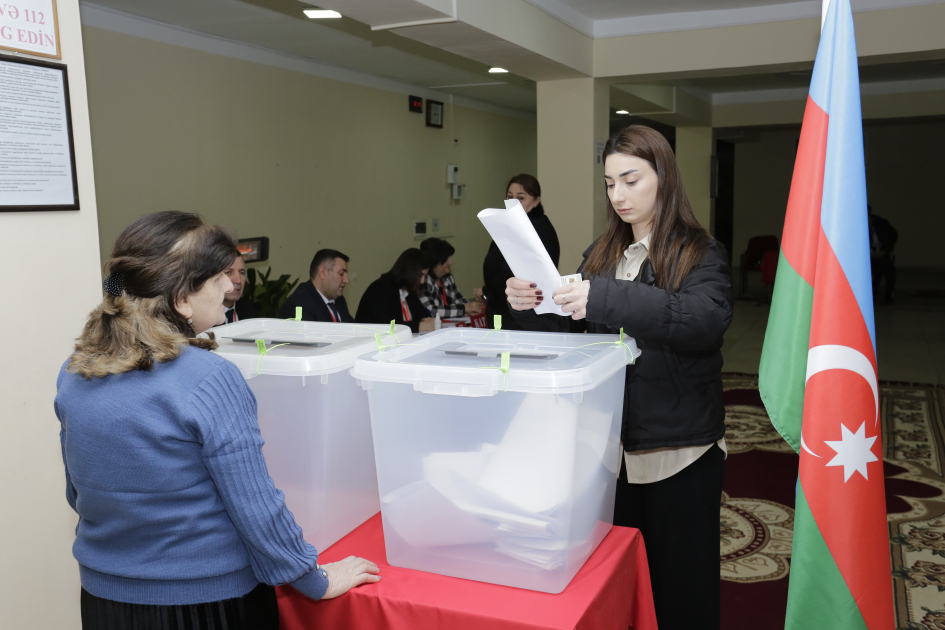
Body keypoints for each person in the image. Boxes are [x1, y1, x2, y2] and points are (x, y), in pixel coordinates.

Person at [55, 212, 380, 630]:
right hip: (207, 603)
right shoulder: (209, 378)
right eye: (219, 277)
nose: (231, 286)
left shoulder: (75, 369)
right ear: (181, 298)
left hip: (104, 600)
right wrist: (312, 578)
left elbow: (77, 493)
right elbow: (256, 511)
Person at [504, 126, 733, 630]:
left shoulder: (699, 251)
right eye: (610, 184)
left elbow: (703, 319)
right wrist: (529, 302)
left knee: (680, 589)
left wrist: (602, 296)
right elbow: (576, 323)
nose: (619, 195)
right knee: (619, 581)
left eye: (631, 179)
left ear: (663, 178)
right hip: (611, 447)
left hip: (679, 450)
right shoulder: (605, 250)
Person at [481, 174, 559, 329]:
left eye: (521, 198)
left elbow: (515, 271)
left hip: (522, 312)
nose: (513, 203)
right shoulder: (510, 224)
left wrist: (488, 291)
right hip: (500, 306)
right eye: (509, 197)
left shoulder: (538, 228)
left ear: (536, 201)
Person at [356, 248, 436, 334]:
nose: (422, 281)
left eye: (425, 276)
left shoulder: (409, 290)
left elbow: (422, 312)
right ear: (408, 271)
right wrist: (420, 326)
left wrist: (427, 320)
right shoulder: (380, 289)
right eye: (420, 276)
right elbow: (387, 325)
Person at [278, 249, 353, 322]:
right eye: (341, 274)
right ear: (323, 273)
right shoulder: (299, 304)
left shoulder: (339, 300)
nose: (346, 280)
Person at [419, 237, 483, 319]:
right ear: (434, 261)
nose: (451, 263)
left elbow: (460, 300)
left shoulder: (447, 277)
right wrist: (464, 309)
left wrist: (471, 309)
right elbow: (432, 310)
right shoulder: (423, 281)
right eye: (446, 259)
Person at [868, 205, 898, 304]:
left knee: (890, 270)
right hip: (866, 256)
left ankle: (889, 297)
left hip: (881, 254)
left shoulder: (881, 224)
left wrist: (884, 252)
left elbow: (893, 237)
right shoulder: (855, 226)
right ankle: (869, 295)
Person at [220, 253, 259, 324]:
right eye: (228, 272)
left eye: (241, 273)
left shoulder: (248, 310)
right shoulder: (202, 319)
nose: (238, 280)